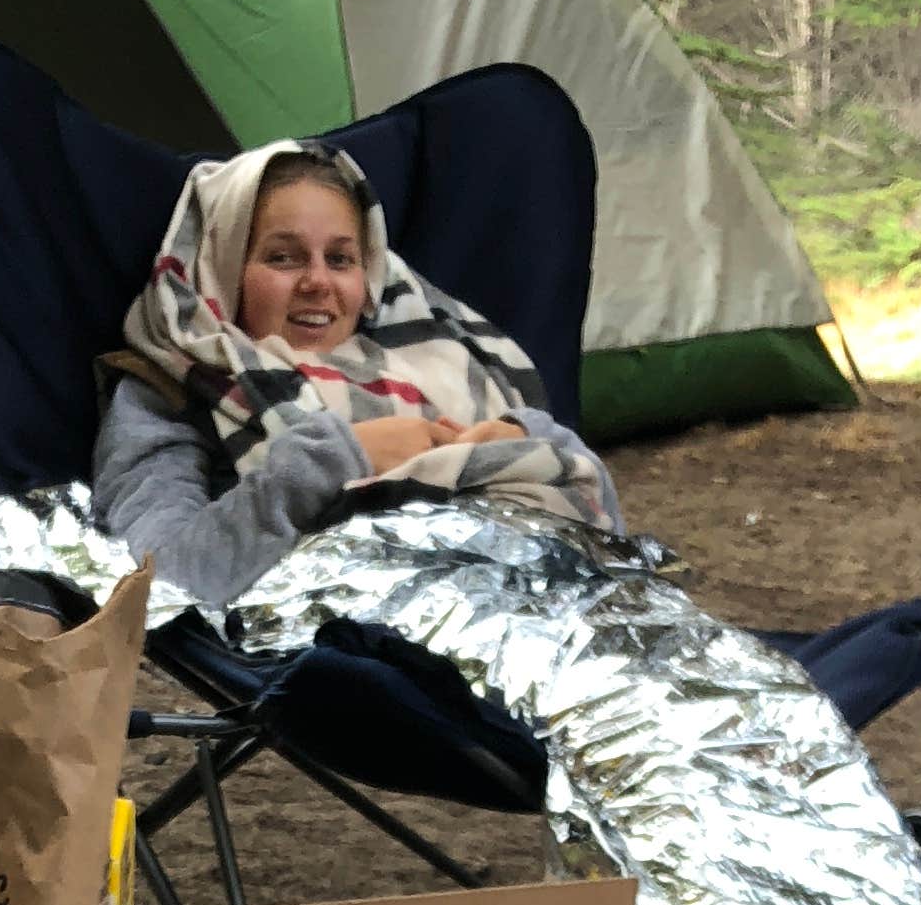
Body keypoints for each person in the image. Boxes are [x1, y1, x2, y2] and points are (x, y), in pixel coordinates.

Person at [91, 140, 623, 617]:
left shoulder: (436, 361)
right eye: (283, 257)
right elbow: (159, 582)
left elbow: (596, 511)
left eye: (340, 258)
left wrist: (530, 435)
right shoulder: (170, 387)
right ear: (223, 265)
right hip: (386, 642)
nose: (318, 281)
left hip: (561, 602)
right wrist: (343, 455)